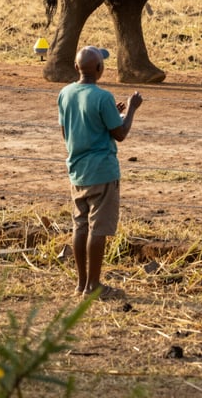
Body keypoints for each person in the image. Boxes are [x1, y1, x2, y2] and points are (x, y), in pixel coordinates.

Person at [58, 46, 143, 299]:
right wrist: (131, 109)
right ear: (99, 68)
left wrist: (109, 115)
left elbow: (68, 131)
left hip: (77, 170)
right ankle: (94, 286)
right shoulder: (103, 96)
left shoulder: (65, 93)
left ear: (76, 67)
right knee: (98, 229)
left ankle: (81, 284)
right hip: (102, 171)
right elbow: (120, 133)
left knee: (80, 225)